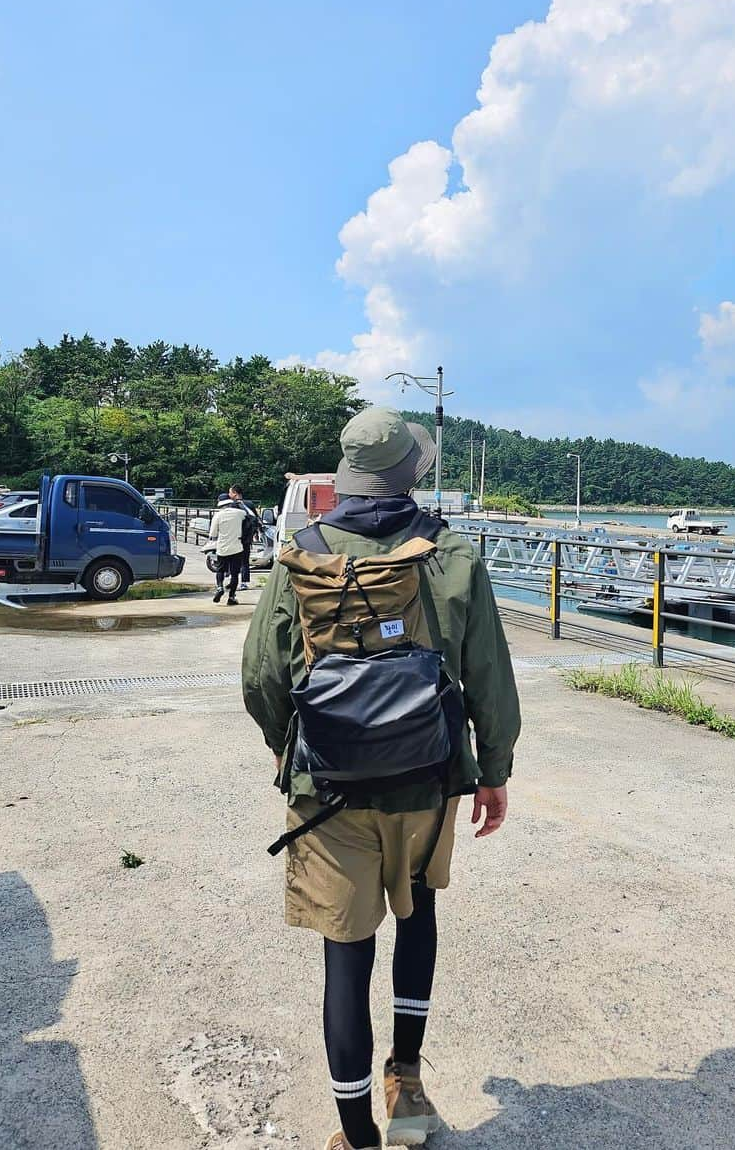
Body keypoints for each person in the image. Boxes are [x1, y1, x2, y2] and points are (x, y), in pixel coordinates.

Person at [242, 408, 521, 1150]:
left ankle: (357, 1138)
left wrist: (287, 748)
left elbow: (261, 676)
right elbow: (490, 676)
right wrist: (493, 770)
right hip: (428, 784)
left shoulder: (301, 551)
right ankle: (408, 1080)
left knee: (346, 952)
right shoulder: (452, 552)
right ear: (409, 474)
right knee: (417, 916)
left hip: (327, 796)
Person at [209, 490, 248, 605]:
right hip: (237, 547)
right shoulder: (239, 513)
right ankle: (231, 597)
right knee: (235, 573)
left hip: (222, 547)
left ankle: (220, 587)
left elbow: (213, 534)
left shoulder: (218, 515)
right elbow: (249, 515)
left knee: (220, 570)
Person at [229, 483, 260, 588]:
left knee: (233, 560)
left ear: (235, 493)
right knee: (245, 560)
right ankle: (244, 582)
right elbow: (256, 519)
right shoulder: (249, 504)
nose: (229, 494)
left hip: (236, 536)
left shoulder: (233, 505)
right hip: (247, 537)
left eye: (230, 492)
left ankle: (233, 581)